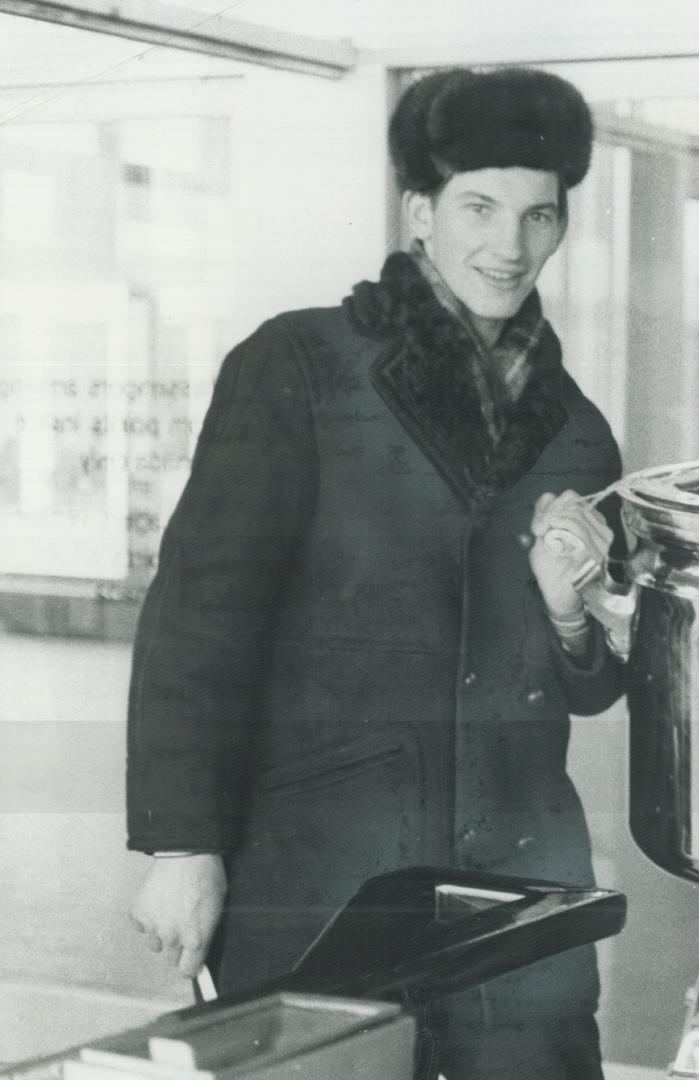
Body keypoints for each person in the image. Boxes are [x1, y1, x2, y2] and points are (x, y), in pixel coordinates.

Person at [124, 67, 625, 1080]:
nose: (511, 245)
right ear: (419, 211)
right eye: (479, 207)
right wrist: (183, 847)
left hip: (515, 888)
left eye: (540, 215)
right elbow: (199, 620)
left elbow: (595, 680)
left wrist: (575, 620)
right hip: (323, 872)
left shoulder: (577, 434)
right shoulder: (301, 367)